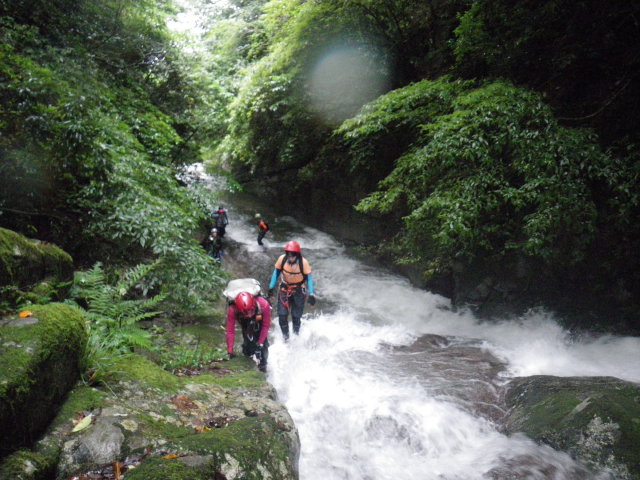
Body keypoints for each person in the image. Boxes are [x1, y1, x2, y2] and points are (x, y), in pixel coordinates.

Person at [267, 240, 316, 340]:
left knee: (296, 316)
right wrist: (271, 287)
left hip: (298, 290)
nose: (290, 257)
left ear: (297, 255)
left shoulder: (303, 263)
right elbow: (276, 273)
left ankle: (296, 335)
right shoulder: (282, 259)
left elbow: (309, 279)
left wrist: (311, 294)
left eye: (292, 256)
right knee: (282, 315)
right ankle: (286, 338)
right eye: (288, 255)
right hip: (285, 289)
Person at [226, 291, 271, 372]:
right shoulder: (233, 309)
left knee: (263, 346)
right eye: (246, 312)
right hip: (244, 321)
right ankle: (248, 361)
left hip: (259, 319)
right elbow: (230, 331)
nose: (249, 314)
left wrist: (260, 344)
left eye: (250, 311)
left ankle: (263, 366)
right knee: (248, 343)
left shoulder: (263, 304)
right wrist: (230, 351)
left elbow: (266, 326)